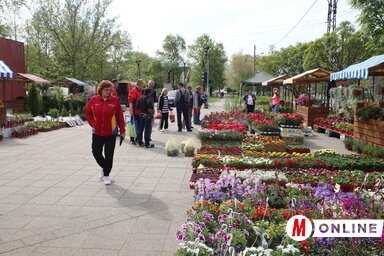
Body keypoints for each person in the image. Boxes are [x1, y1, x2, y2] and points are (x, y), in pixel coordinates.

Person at [85, 80, 125, 185]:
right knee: (96, 152)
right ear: (101, 90)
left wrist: (122, 131)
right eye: (106, 90)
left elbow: (120, 117)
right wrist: (92, 123)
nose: (108, 92)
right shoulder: (94, 100)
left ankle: (106, 175)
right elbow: (88, 113)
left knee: (109, 154)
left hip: (111, 133)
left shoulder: (115, 101)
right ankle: (104, 167)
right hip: (97, 132)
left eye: (110, 90)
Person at [128, 79, 144, 145]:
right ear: (139, 84)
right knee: (133, 126)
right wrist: (131, 111)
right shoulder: (134, 91)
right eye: (142, 85)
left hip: (139, 111)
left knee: (139, 126)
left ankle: (138, 138)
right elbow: (130, 101)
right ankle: (132, 139)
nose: (143, 86)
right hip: (134, 111)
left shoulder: (140, 91)